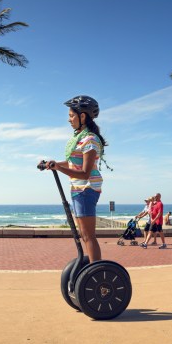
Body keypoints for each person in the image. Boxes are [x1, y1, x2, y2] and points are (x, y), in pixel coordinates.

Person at [40, 95, 107, 262]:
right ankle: (92, 269)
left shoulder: (90, 140)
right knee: (84, 236)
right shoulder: (80, 139)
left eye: (71, 115)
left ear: (82, 116)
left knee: (88, 236)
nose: (69, 120)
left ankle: (96, 273)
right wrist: (54, 164)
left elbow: (84, 172)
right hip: (79, 189)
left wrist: (60, 168)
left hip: (86, 189)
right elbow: (72, 162)